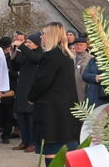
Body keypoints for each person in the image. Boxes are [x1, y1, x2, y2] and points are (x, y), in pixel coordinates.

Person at [28, 23, 81, 158]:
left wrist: (31, 97)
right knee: (66, 150)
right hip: (65, 110)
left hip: (52, 112)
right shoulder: (66, 55)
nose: (41, 37)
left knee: (52, 151)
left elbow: (42, 81)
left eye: (44, 33)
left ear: (51, 36)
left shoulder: (51, 56)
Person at [12, 32, 44, 152]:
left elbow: (34, 58)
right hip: (21, 88)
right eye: (27, 42)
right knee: (21, 116)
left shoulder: (40, 53)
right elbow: (16, 67)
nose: (27, 44)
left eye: (30, 42)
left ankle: (33, 142)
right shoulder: (25, 52)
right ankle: (24, 141)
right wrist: (13, 55)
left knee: (31, 118)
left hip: (32, 89)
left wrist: (22, 47)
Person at [72, 36, 92, 103]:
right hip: (71, 91)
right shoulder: (70, 58)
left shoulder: (91, 59)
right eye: (77, 45)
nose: (79, 46)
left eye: (81, 45)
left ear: (86, 47)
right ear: (74, 46)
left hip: (84, 92)